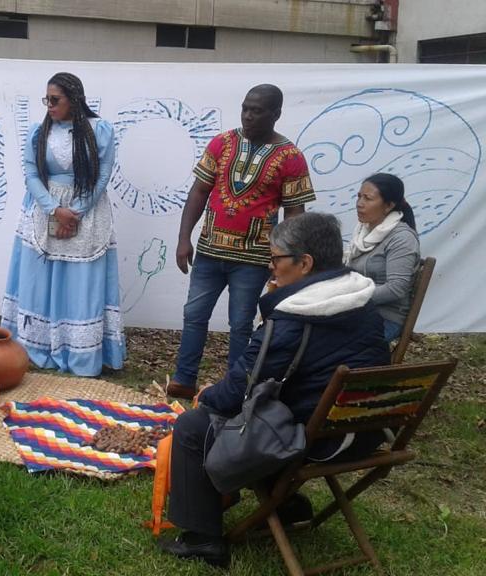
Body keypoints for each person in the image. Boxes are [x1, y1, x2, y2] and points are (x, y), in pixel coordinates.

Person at [158, 213, 390, 567]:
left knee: (195, 425)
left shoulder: (293, 319)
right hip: (365, 431)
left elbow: (239, 391)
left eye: (276, 259)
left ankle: (203, 538)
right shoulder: (363, 302)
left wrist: (206, 395)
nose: (270, 267)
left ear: (305, 263)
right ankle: (286, 504)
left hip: (320, 442)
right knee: (275, 407)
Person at [167, 84, 316, 400]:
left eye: (257, 110)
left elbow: (295, 213)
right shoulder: (221, 143)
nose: (248, 115)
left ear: (276, 114)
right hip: (209, 250)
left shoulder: (291, 158)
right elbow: (198, 192)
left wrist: (284, 260)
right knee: (194, 314)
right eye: (246, 108)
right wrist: (184, 238)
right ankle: (184, 378)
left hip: (254, 257)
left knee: (240, 325)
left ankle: (235, 388)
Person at [0, 72, 124, 377]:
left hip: (88, 211)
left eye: (55, 100)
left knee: (81, 283)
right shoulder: (38, 132)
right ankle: (36, 348)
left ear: (74, 98)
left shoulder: (100, 131)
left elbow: (102, 176)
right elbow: (30, 173)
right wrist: (54, 209)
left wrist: (76, 211)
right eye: (47, 100)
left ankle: (80, 354)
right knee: (38, 278)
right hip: (44, 211)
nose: (49, 105)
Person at [345, 173, 420, 342]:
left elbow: (395, 288)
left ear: (388, 206)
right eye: (358, 197)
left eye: (368, 199)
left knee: (324, 346)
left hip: (385, 318)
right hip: (358, 311)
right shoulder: (363, 231)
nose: (359, 204)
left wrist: (350, 297)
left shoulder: (402, 238)